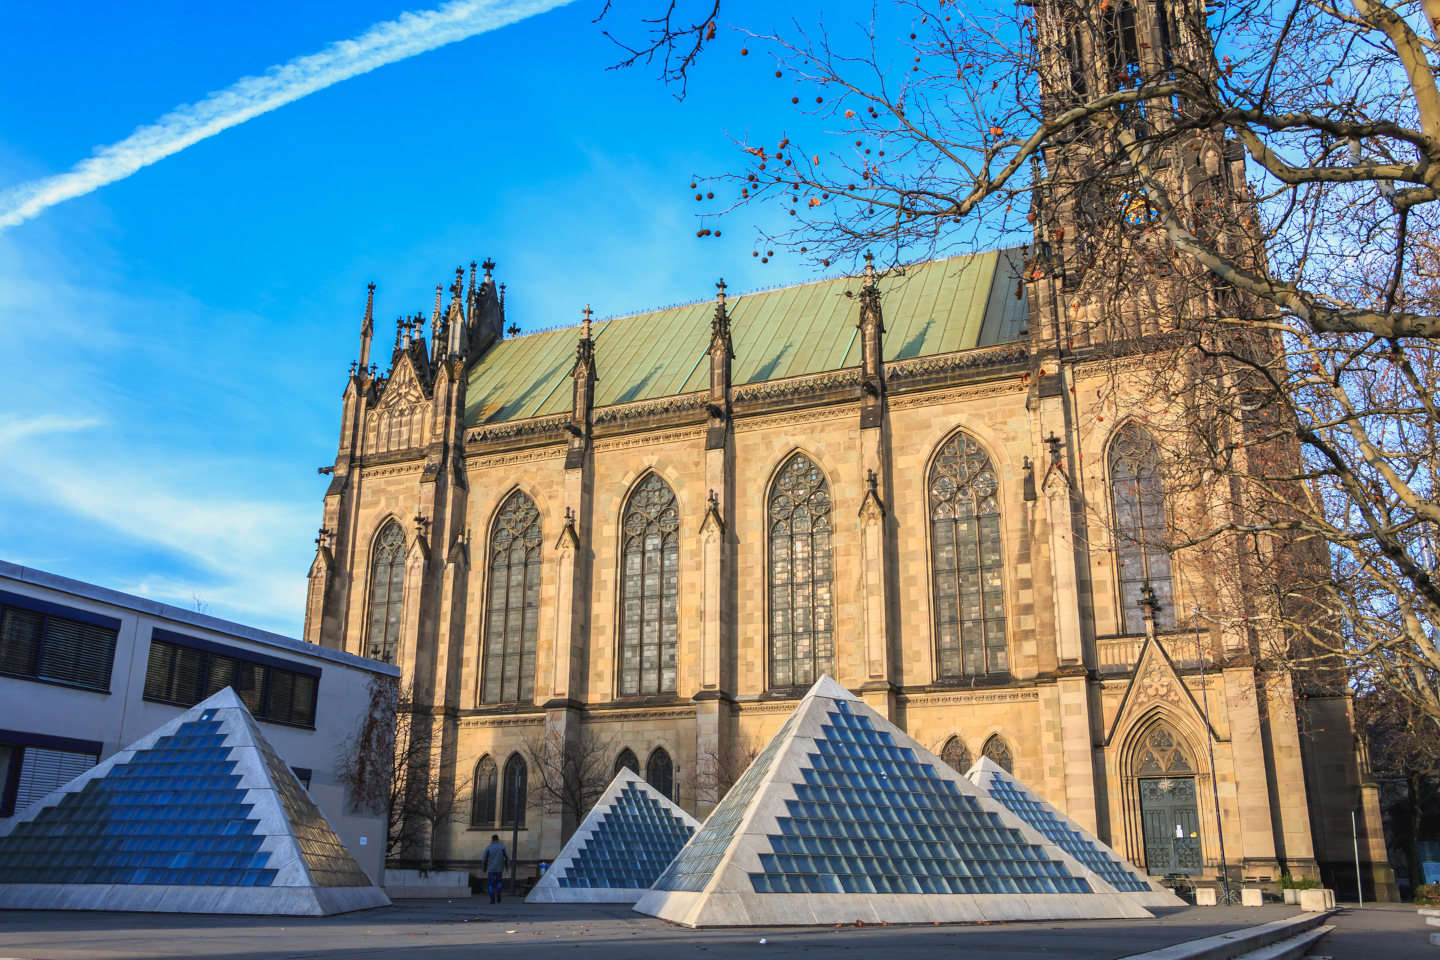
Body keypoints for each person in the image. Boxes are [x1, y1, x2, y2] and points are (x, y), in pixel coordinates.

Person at [481, 834, 509, 904]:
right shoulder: (502, 847)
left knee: (491, 884)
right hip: (499, 868)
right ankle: (498, 894)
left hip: (491, 868)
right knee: (499, 882)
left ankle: (492, 899)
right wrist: (507, 867)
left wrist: (484, 869)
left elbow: (484, 859)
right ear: (498, 840)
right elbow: (507, 858)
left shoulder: (488, 848)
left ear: (492, 840)